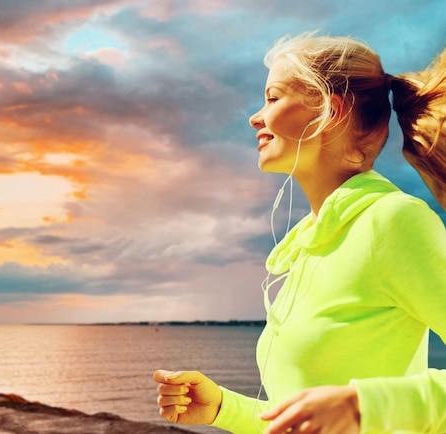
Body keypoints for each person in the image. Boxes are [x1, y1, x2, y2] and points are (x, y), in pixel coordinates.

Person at [154, 32, 446, 434]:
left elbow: (348, 411)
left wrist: (366, 406)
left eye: (273, 98)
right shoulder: (313, 241)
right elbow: (305, 417)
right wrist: (222, 407)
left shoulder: (392, 222)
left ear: (330, 110)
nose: (256, 117)